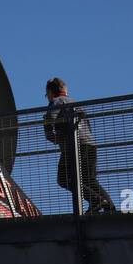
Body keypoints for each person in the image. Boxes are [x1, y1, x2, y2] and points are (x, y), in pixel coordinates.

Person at [43, 78, 116, 214]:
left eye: (46, 94)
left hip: (73, 145)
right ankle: (109, 208)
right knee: (89, 179)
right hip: (90, 144)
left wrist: (54, 138)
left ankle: (95, 200)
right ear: (65, 90)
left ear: (51, 92)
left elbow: (50, 123)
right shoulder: (76, 103)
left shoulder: (56, 102)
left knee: (64, 179)